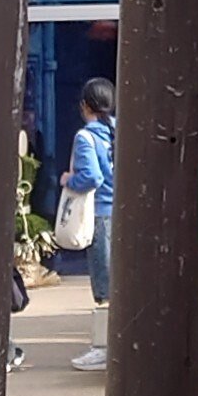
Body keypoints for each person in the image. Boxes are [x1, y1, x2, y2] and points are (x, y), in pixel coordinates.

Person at [67, 78, 116, 372]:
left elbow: (92, 178)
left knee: (104, 282)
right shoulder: (120, 130)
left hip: (100, 214)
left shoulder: (86, 137)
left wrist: (68, 180)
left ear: (85, 106)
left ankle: (104, 348)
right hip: (124, 213)